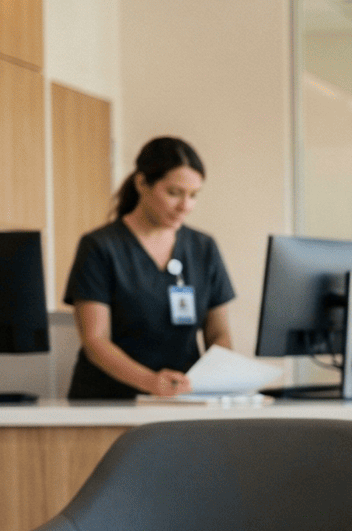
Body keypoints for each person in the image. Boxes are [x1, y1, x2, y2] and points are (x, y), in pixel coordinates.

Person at [64, 136, 236, 399]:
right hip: (110, 400)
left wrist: (217, 374)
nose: (185, 206)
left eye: (193, 196)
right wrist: (150, 382)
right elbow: (95, 340)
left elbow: (218, 332)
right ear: (142, 183)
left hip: (184, 400)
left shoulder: (203, 247)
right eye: (174, 193)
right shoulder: (100, 247)